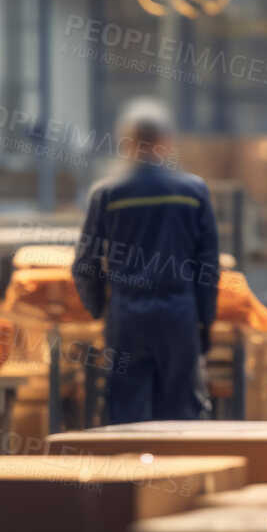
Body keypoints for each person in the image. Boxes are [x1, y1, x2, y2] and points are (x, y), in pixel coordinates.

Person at [72, 99, 221, 423]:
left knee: (123, 413)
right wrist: (205, 320)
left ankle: (126, 474)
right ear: (166, 142)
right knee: (182, 414)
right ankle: (183, 474)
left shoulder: (107, 194)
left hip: (127, 316)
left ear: (127, 142)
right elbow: (208, 266)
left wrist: (102, 308)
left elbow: (85, 264)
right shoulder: (193, 191)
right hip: (178, 315)